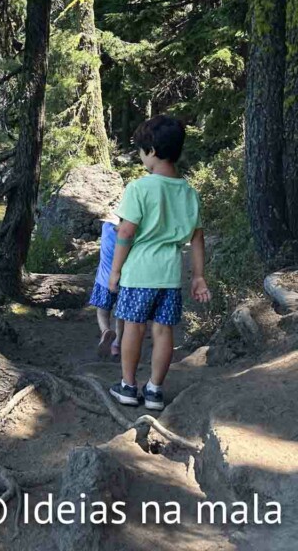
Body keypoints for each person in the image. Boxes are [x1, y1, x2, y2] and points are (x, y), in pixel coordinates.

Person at [107, 115, 210, 411]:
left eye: (141, 150)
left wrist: (114, 272)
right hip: (170, 276)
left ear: (151, 150)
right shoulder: (189, 192)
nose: (141, 156)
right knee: (164, 331)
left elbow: (126, 232)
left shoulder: (139, 188)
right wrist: (198, 276)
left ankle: (128, 386)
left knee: (133, 328)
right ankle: (154, 390)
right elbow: (197, 238)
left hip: (139, 273)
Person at [89, 215, 122, 357]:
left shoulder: (107, 229)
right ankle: (116, 345)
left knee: (102, 311)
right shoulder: (130, 239)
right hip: (123, 282)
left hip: (104, 281)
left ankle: (105, 330)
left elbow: (107, 219)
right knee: (121, 315)